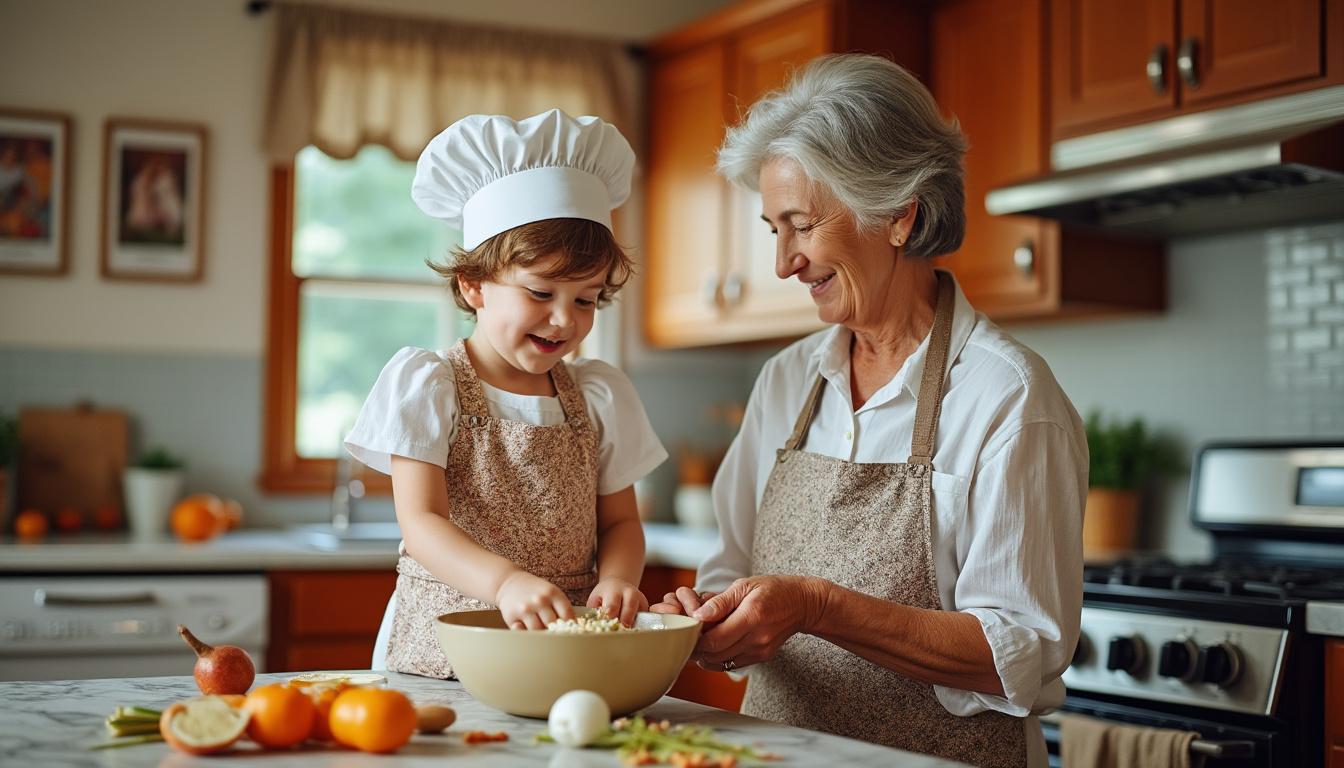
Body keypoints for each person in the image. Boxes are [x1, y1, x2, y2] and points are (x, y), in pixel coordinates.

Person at [651, 54, 1086, 768]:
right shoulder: (787, 382)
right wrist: (706, 618)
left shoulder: (1006, 396)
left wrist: (818, 607)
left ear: (898, 215)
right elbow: (732, 571)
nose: (784, 263)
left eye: (801, 225)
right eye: (773, 230)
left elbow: (1020, 653)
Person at [346, 109, 668, 679]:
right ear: (473, 286)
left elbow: (621, 523)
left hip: (563, 644)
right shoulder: (432, 385)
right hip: (446, 643)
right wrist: (504, 583)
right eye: (541, 292)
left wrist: (619, 580)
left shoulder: (598, 395)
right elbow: (420, 522)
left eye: (587, 299)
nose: (564, 320)